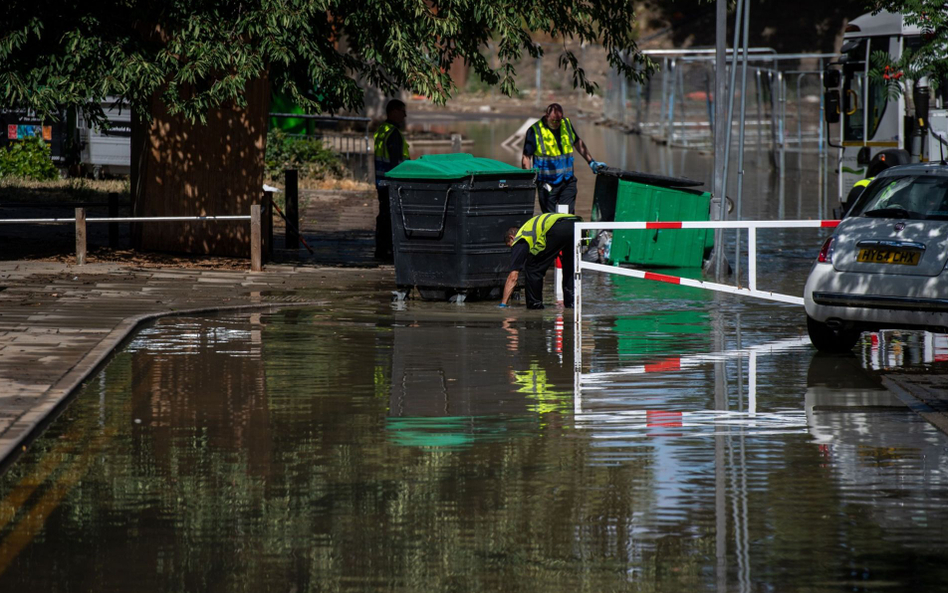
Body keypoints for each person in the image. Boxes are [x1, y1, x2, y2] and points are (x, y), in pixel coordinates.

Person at [521, 103, 606, 214]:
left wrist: (591, 162)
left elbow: (577, 143)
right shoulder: (535, 131)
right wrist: (528, 181)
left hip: (567, 181)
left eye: (559, 120)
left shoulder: (566, 124)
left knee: (567, 216)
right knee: (550, 218)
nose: (557, 123)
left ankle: (568, 230)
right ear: (547, 117)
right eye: (554, 120)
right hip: (547, 183)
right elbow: (526, 157)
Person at [499, 212, 580, 310]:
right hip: (578, 224)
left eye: (511, 246)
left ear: (512, 238)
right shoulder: (532, 229)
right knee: (569, 267)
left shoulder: (521, 237)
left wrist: (503, 304)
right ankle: (571, 305)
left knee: (533, 268)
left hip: (559, 228)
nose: (513, 249)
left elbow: (513, 276)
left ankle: (535, 307)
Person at [373, 99, 410, 262]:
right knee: (391, 219)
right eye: (403, 111)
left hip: (381, 182)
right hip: (392, 184)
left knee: (384, 217)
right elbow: (396, 164)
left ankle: (381, 250)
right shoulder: (393, 133)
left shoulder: (382, 130)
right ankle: (388, 252)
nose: (405, 115)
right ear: (394, 111)